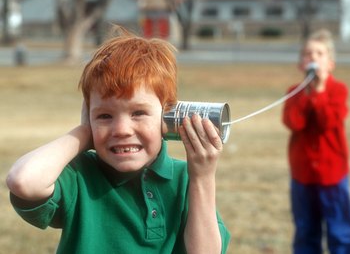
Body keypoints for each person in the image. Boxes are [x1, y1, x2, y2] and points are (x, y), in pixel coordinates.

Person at [6, 27, 230, 254]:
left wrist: (202, 178)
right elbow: (23, 181)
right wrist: (84, 133)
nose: (121, 130)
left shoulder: (185, 180)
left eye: (138, 113)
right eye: (104, 116)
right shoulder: (78, 175)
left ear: (166, 115)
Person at [282, 29, 350, 254]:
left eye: (319, 53)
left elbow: (328, 122)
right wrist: (307, 93)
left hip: (332, 174)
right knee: (305, 230)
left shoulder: (338, 90)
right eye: (307, 53)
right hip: (303, 175)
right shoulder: (294, 93)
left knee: (340, 230)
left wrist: (320, 91)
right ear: (300, 63)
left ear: (331, 63)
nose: (313, 57)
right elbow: (294, 123)